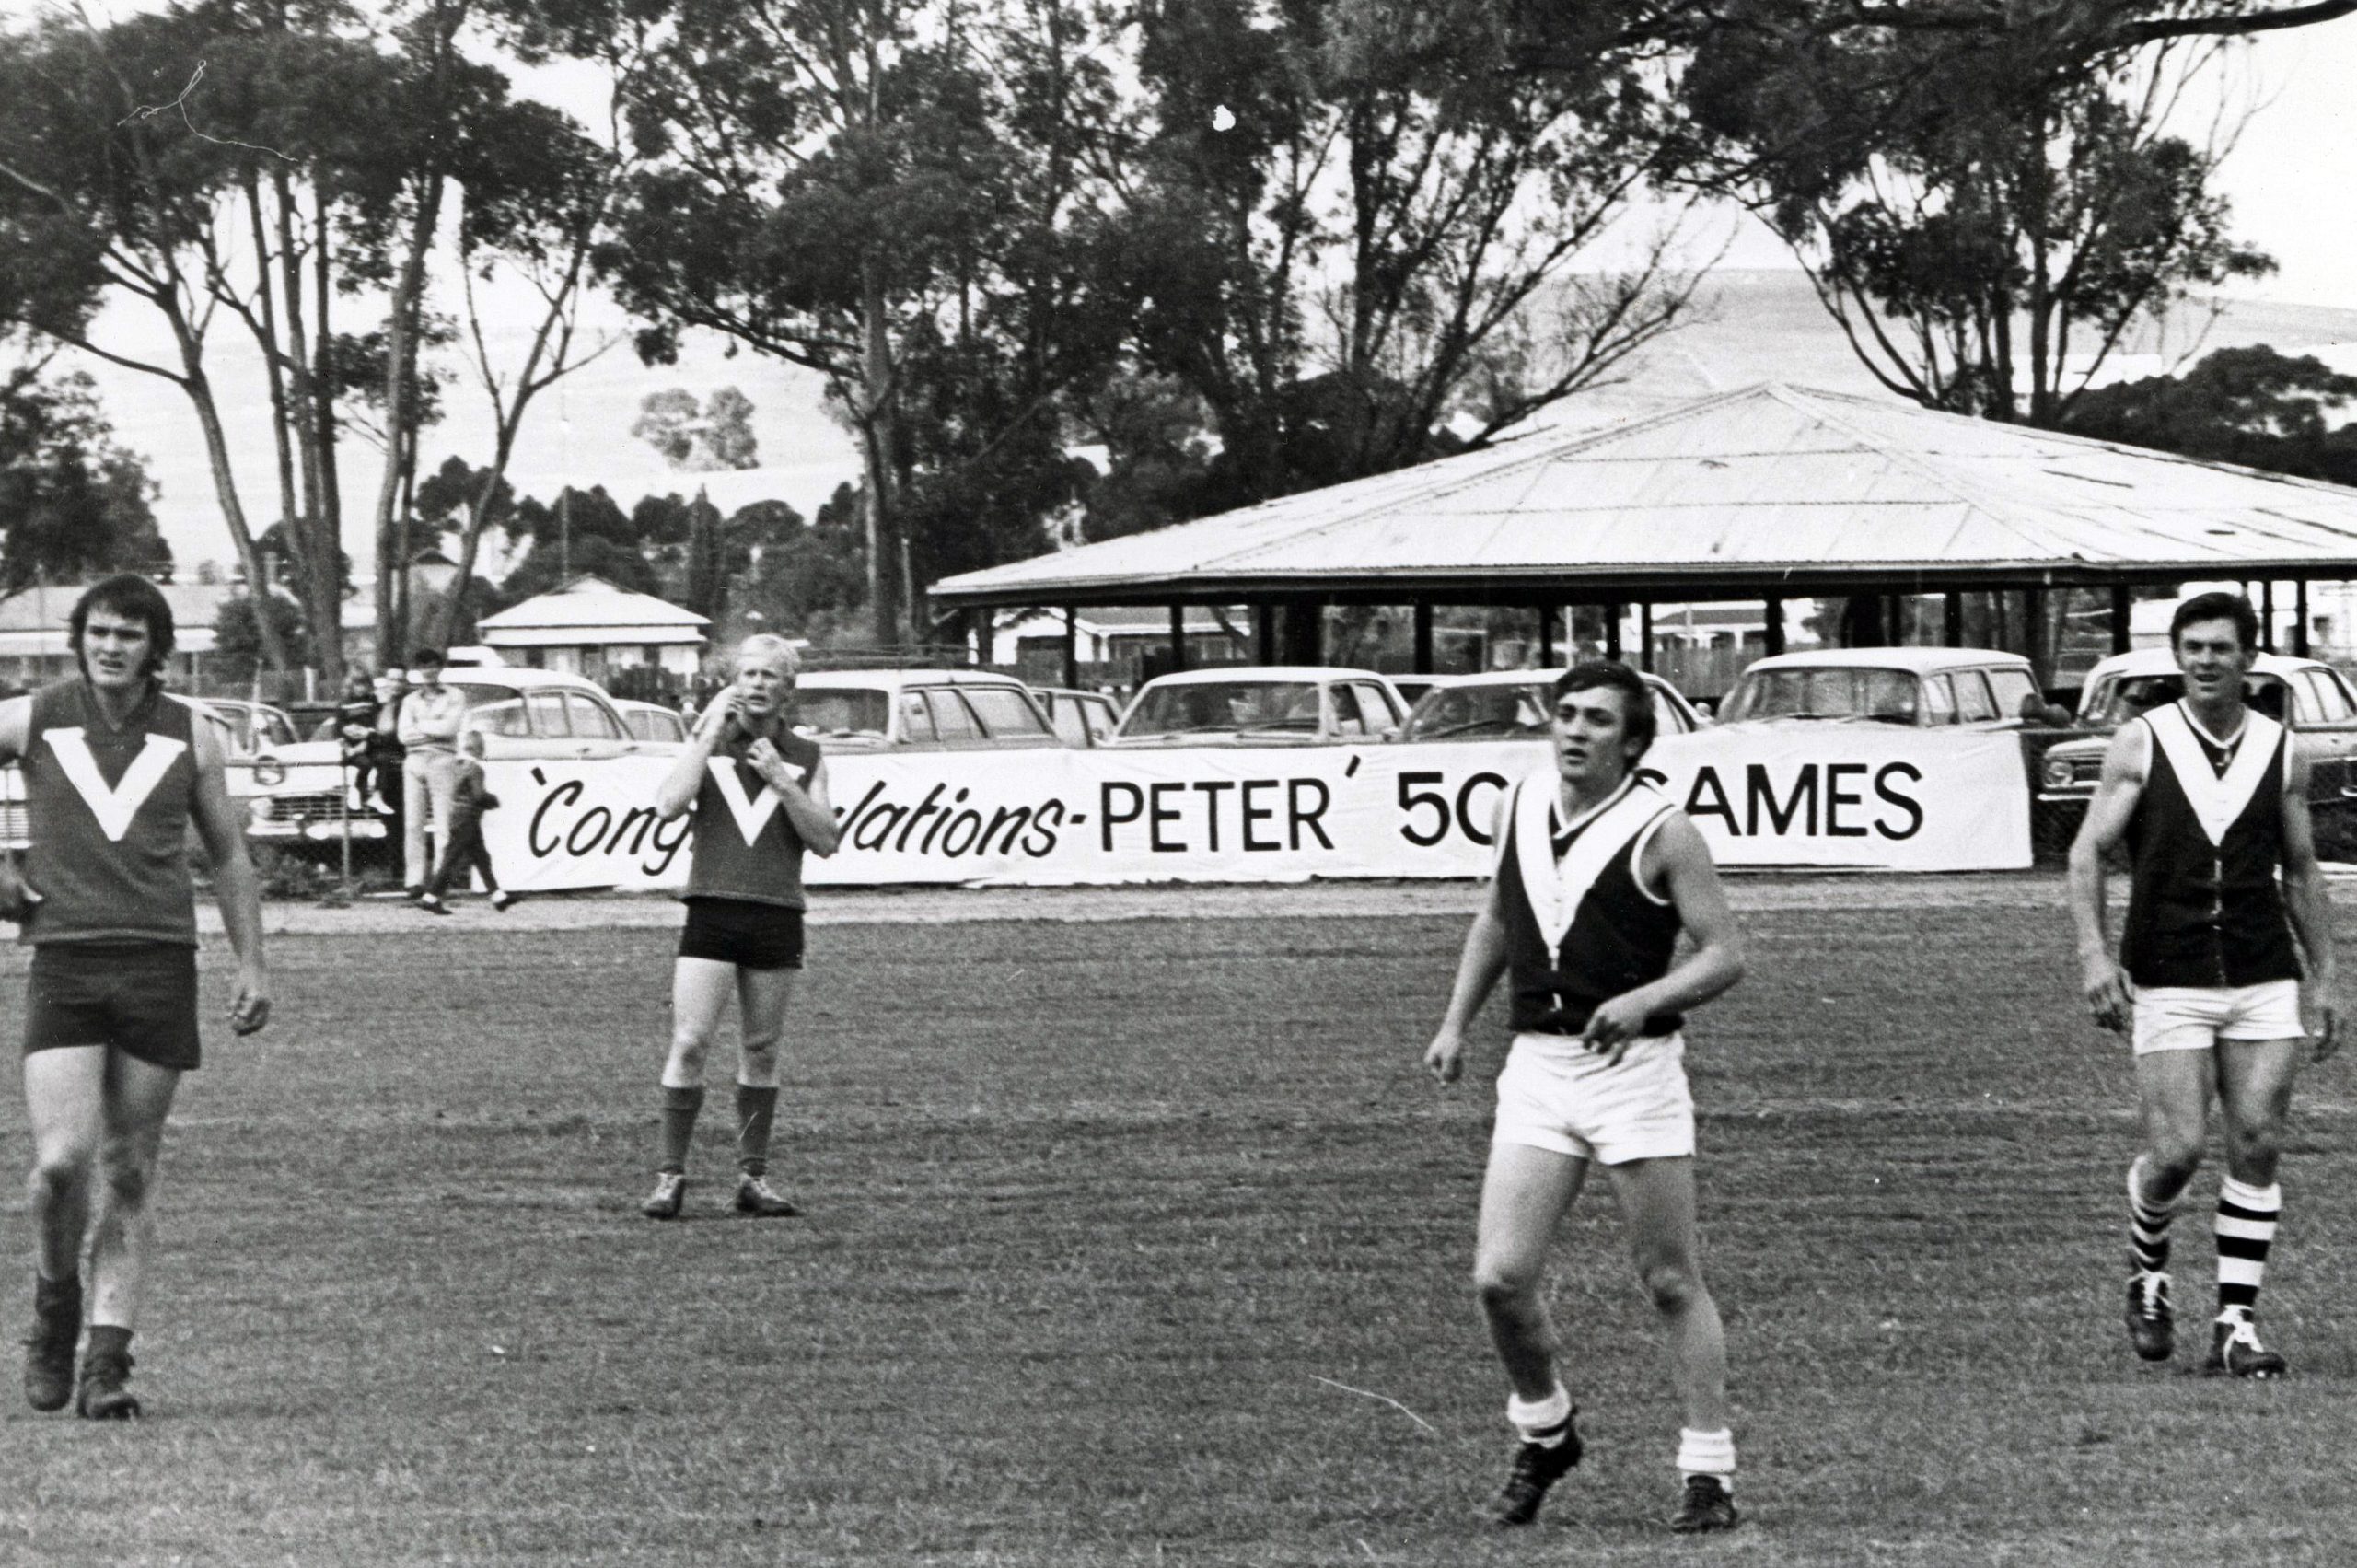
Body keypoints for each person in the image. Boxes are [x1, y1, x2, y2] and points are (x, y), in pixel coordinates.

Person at [1423, 660, 1747, 1534]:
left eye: (1597, 720)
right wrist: (1457, 1022)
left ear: (1633, 741)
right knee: (1500, 1278)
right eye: (1564, 715)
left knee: (1670, 1278)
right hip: (1537, 1068)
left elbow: (1724, 953)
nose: (1574, 731)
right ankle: (1547, 1428)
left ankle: (1708, 1468)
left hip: (1634, 1076)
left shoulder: (1664, 830)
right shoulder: (1519, 804)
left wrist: (1646, 998)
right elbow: (1497, 914)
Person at [0, 575, 270, 1419]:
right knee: (58, 1165)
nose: (110, 646)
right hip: (66, 963)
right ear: (78, 639)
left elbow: (226, 854)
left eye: (128, 634)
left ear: (157, 647)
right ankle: (55, 1310)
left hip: (159, 962)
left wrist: (253, 962)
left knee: (130, 1166)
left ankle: (107, 1363)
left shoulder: (193, 732)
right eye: (98, 632)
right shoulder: (33, 714)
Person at [2068, 591, 2340, 1378]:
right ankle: (2148, 1266)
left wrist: (2327, 976)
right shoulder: (2140, 741)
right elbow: (2087, 853)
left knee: (2257, 1138)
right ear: (2176, 655)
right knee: (2178, 1150)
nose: (2204, 660)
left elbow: (2302, 869)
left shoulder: (2283, 750)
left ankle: (2236, 1321)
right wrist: (2094, 953)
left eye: (2220, 647)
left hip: (2261, 971)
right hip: (2168, 969)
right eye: (2192, 647)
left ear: (2248, 659)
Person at [640, 633, 841, 1221]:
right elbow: (667, 805)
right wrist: (704, 737)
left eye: (768, 676)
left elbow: (826, 840)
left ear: (787, 689)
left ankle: (753, 1177)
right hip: (713, 908)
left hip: (776, 912)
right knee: (691, 1041)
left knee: (761, 1048)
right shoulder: (710, 745)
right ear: (733, 682)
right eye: (747, 673)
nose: (756, 684)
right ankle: (669, 1176)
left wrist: (782, 779)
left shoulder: (806, 756)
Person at [419, 729, 513, 914]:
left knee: (481, 857)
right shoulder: (476, 768)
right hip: (468, 818)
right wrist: (493, 800)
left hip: (458, 816)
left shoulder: (459, 765)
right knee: (453, 859)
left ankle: (498, 896)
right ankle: (430, 897)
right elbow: (478, 796)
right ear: (480, 749)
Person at [396, 650, 466, 899]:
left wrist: (421, 728)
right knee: (413, 823)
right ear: (418, 669)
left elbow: (450, 727)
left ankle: (440, 878)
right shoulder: (410, 701)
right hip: (414, 760)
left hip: (442, 759)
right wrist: (431, 729)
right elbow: (403, 734)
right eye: (423, 666)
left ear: (440, 668)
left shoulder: (455, 695)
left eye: (433, 666)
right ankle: (414, 881)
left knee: (442, 822)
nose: (428, 671)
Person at [335, 670, 381, 812]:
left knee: (378, 761)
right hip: (350, 748)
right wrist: (348, 747)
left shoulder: (372, 701)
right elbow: (338, 729)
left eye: (364, 684)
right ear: (351, 686)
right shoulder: (343, 704)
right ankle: (356, 790)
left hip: (368, 744)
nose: (361, 688)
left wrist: (367, 741)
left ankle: (366, 794)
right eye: (357, 685)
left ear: (369, 685)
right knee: (364, 763)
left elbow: (376, 725)